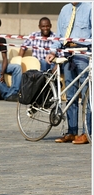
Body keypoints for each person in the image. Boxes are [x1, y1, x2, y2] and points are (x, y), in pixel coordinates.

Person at [45, 2, 92, 144]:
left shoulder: (90, 7)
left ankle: (87, 132)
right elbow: (59, 34)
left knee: (87, 96)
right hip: (67, 54)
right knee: (70, 94)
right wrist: (53, 51)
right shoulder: (65, 9)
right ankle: (71, 132)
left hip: (84, 55)